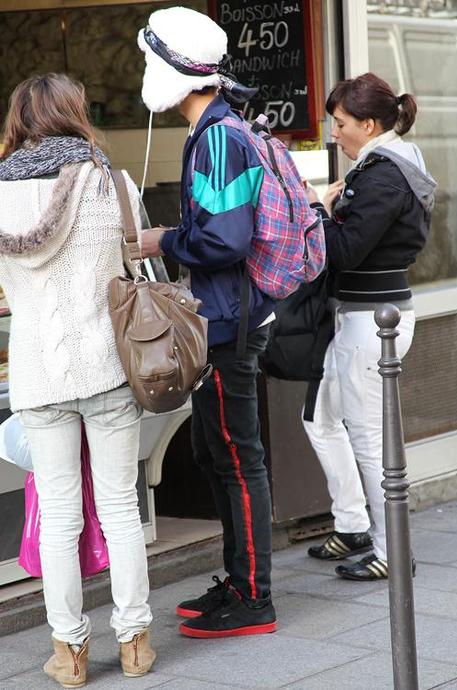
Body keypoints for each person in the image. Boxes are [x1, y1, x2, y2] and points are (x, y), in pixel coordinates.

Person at [0, 74, 156, 687]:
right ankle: (136, 641)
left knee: (60, 516)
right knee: (121, 508)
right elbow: (134, 262)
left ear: (19, 120)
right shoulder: (111, 183)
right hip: (109, 367)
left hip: (39, 374)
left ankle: (69, 653)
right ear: (75, 114)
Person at [139, 6, 277, 637]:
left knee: (235, 457)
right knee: (218, 450)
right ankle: (240, 582)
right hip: (230, 315)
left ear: (175, 70)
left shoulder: (218, 136)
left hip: (229, 319)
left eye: (151, 58)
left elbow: (224, 240)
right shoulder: (219, 129)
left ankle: (253, 598)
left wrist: (161, 240)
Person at [303, 73, 435, 581]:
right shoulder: (393, 162)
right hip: (361, 316)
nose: (333, 133)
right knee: (319, 418)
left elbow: (342, 250)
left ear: (369, 123)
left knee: (369, 439)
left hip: (372, 321)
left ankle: (391, 550)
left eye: (339, 124)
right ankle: (354, 525)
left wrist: (319, 207)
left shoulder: (381, 175)